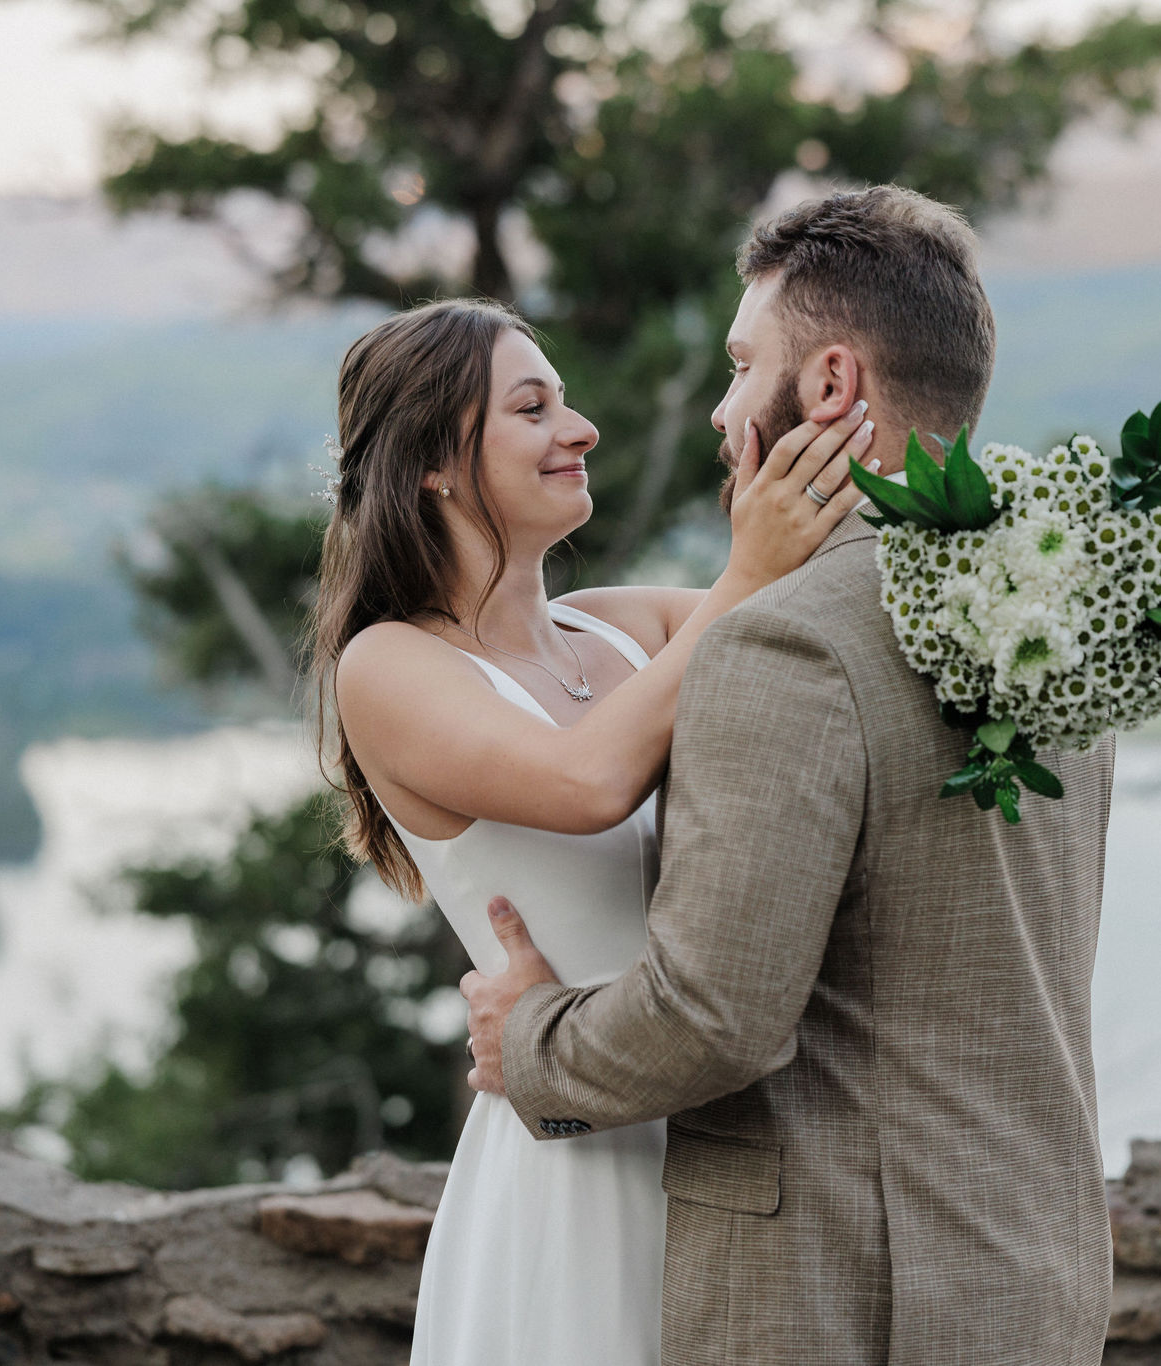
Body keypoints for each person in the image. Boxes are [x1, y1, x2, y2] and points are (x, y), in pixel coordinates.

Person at [462, 186, 1120, 1365]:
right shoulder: (1053, 613)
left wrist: (532, 1044)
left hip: (842, 1298)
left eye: (736, 367)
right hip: (1035, 1275)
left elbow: (715, 1018)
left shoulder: (787, 639)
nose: (722, 413)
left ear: (826, 386)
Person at [312, 294, 871, 1365]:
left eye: (565, 400)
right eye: (533, 407)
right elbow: (587, 779)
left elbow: (802, 611)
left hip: (724, 1147)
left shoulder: (621, 627)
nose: (581, 429)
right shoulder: (387, 664)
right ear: (433, 459)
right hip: (577, 1160)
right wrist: (746, 571)